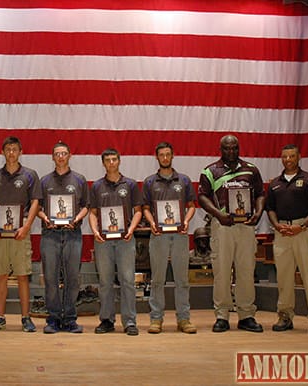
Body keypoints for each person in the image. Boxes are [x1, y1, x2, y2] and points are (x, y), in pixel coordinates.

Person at [198, 134, 265, 333]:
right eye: (227, 148)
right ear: (221, 149)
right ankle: (222, 315)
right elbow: (202, 196)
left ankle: (246, 315)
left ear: (239, 148)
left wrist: (259, 213)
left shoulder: (251, 169)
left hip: (246, 227)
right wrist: (218, 214)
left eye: (235, 148)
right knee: (222, 272)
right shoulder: (210, 171)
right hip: (223, 226)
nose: (231, 152)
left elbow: (261, 194)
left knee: (245, 271)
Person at [266, 144, 308, 335]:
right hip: (282, 231)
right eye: (285, 157)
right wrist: (277, 225)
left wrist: (301, 226)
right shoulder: (275, 183)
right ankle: (285, 316)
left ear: (299, 157)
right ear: (281, 158)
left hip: (304, 230)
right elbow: (270, 209)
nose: (288, 160)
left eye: (292, 156)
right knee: (284, 277)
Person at [0, 136, 41, 332]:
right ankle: (0, 317)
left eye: (14, 149)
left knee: (22, 275)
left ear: (20, 152)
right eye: (7, 149)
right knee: (1, 275)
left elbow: (35, 202)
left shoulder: (30, 175)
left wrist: (27, 226)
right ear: (2, 152)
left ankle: (26, 318)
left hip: (20, 232)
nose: (11, 153)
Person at [142, 142, 197, 334]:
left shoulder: (184, 180)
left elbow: (191, 206)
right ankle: (156, 319)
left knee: (182, 279)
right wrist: (152, 223)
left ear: (173, 156)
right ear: (156, 157)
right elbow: (146, 209)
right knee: (157, 279)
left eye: (168, 154)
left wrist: (187, 221)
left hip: (180, 235)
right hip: (158, 236)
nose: (165, 158)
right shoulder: (150, 182)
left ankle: (184, 319)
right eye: (161, 155)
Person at [89, 148, 143, 336]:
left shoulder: (130, 185)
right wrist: (95, 231)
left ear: (119, 161)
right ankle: (106, 320)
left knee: (127, 280)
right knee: (105, 281)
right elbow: (93, 213)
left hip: (125, 240)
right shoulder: (96, 186)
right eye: (108, 160)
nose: (111, 163)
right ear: (103, 163)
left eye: (114, 159)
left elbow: (138, 210)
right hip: (103, 240)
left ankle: (129, 321)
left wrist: (131, 229)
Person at [37, 142, 89, 333]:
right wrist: (45, 218)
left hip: (73, 234)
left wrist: (75, 219)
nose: (60, 157)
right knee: (50, 278)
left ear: (70, 155)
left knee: (72, 278)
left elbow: (86, 206)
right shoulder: (44, 181)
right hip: (50, 234)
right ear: (52, 157)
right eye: (57, 154)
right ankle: (52, 319)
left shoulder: (79, 180)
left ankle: (69, 318)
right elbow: (37, 208)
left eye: (64, 153)